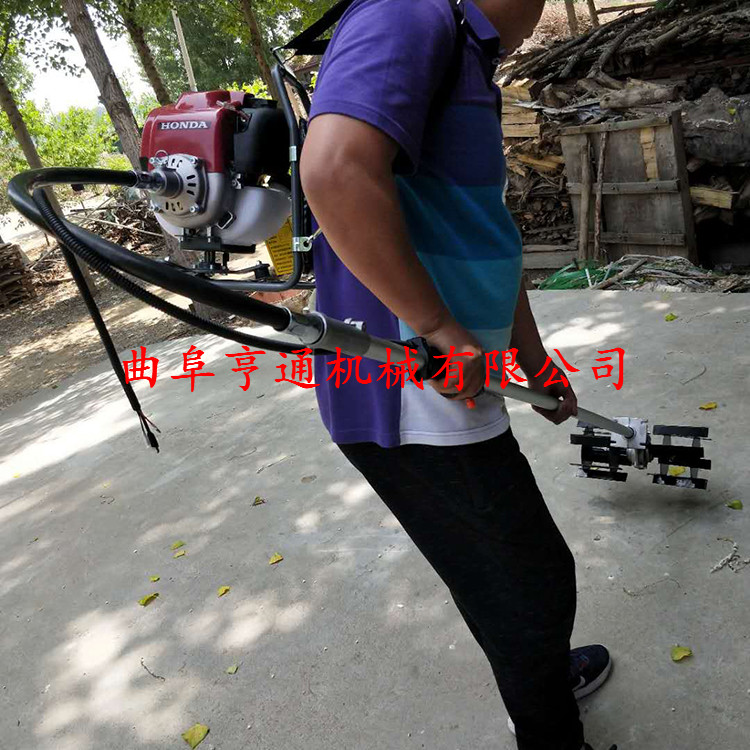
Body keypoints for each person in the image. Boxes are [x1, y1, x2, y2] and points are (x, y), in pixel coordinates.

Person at [300, 1, 615, 748]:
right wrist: (438, 328)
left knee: (507, 574)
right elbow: (335, 170)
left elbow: (484, 233)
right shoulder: (408, 13)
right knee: (527, 584)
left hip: (461, 371)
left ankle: (539, 675)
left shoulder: (466, 51)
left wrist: (531, 358)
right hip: (409, 383)